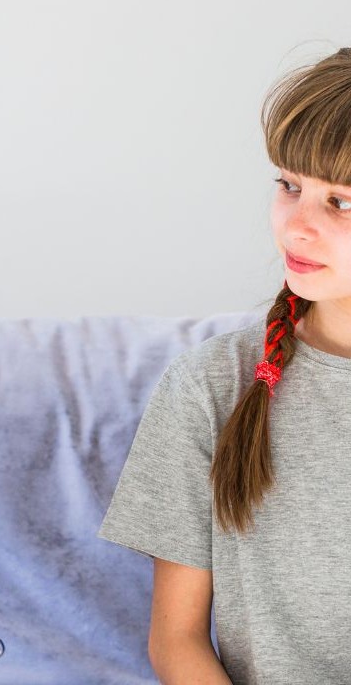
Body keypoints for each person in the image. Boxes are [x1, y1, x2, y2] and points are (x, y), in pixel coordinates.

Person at [100, 47, 351, 685]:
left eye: (341, 202)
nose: (297, 227)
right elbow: (177, 640)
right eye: (290, 186)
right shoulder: (210, 387)